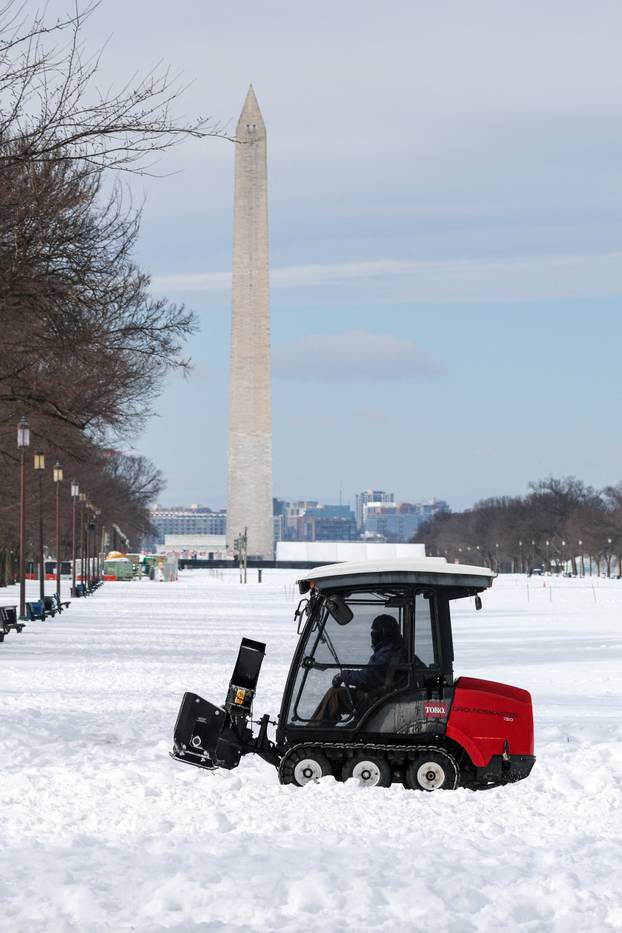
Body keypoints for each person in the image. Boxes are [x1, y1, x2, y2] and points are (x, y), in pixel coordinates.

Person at [311, 614, 406, 721]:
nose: (373, 635)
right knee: (336, 694)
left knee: (335, 695)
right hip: (381, 697)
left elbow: (368, 677)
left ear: (385, 633)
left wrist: (343, 675)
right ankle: (313, 728)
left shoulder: (389, 652)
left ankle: (314, 731)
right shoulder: (395, 649)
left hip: (379, 700)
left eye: (375, 632)